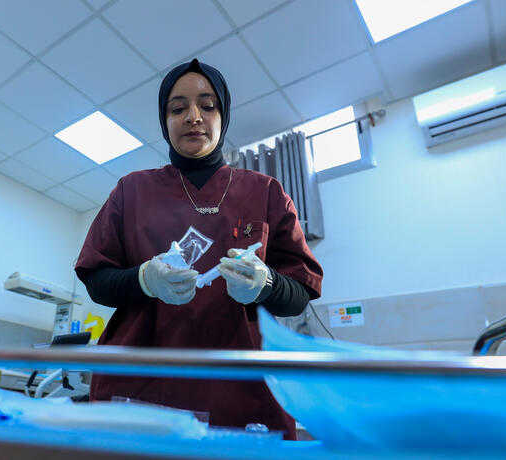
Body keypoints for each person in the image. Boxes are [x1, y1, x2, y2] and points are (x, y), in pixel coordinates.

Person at [75, 58, 323, 439]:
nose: (193, 116)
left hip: (242, 390)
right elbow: (98, 279)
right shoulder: (131, 190)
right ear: (165, 121)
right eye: (178, 108)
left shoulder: (265, 192)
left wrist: (267, 283)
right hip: (141, 386)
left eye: (208, 106)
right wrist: (144, 279)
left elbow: (298, 294)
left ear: (223, 116)